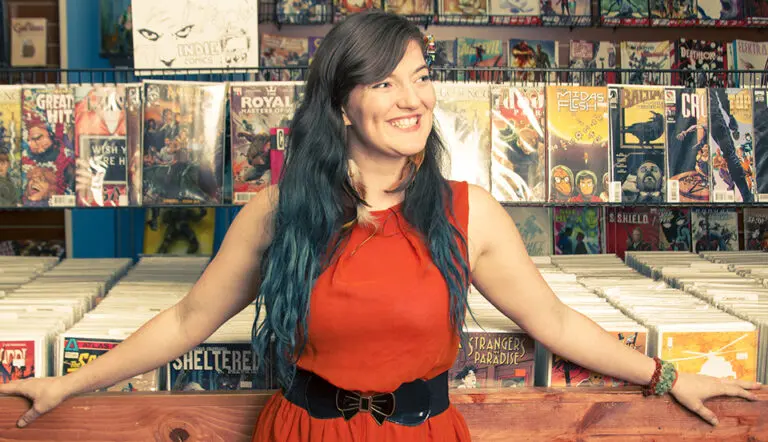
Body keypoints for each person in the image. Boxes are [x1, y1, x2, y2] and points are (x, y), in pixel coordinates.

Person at [0, 11, 762, 441]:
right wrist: (70, 384)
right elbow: (188, 319)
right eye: (384, 80)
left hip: (423, 436)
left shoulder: (469, 212)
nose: (412, 99)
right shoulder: (279, 213)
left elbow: (556, 321)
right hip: (304, 434)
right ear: (340, 104)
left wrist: (670, 375)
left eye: (422, 77)